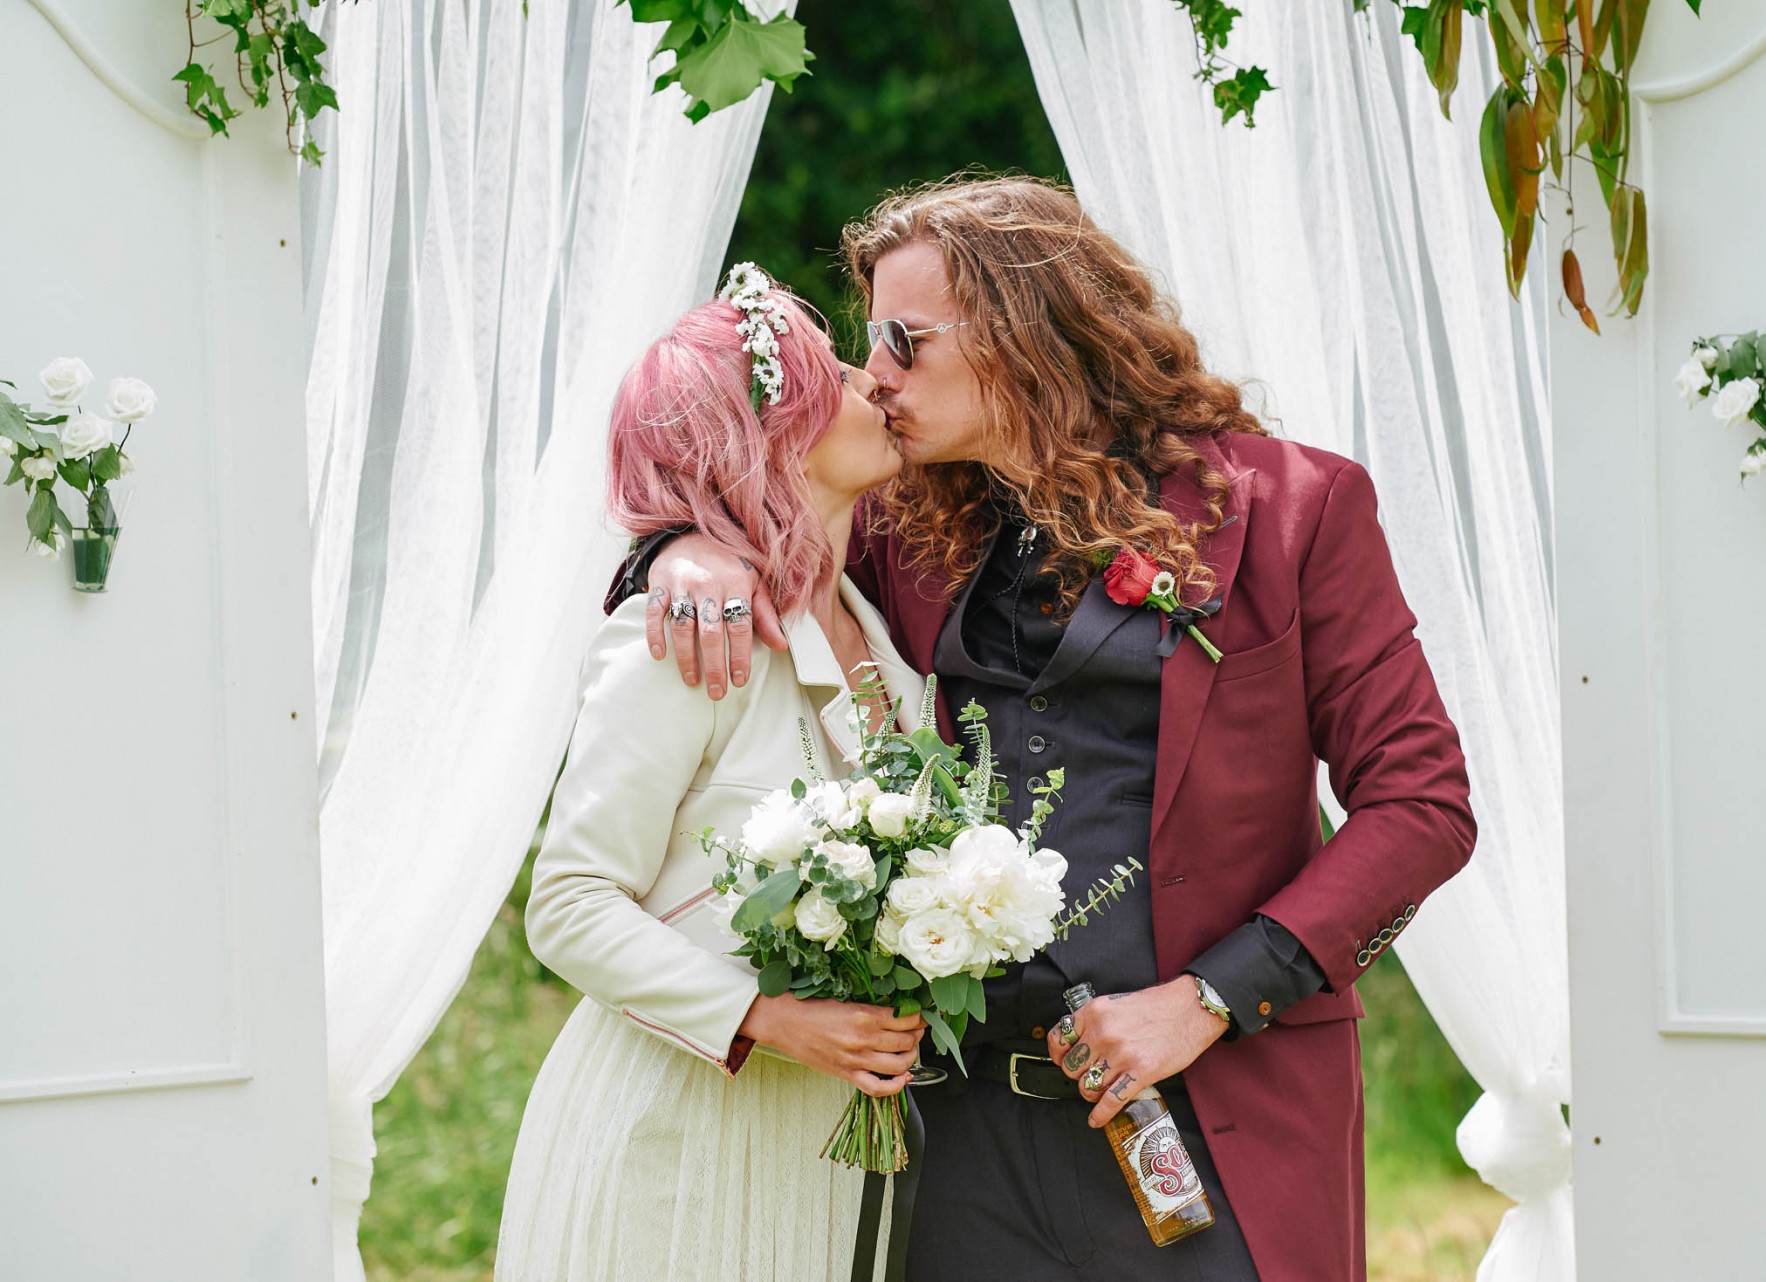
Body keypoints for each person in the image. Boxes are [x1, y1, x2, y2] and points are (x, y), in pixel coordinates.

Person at [624, 177, 1477, 1282]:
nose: (872, 376)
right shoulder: (902, 527)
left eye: (902, 340)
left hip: (1217, 1122)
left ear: (1027, 329)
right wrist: (683, 553)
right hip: (957, 1140)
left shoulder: (1293, 511)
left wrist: (1212, 996)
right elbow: (765, 514)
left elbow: (1423, 804)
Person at [495, 265, 928, 1280]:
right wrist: (766, 1019)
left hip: (826, 1147)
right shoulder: (682, 642)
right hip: (682, 1133)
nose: (875, 385)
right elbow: (568, 902)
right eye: (837, 380)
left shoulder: (879, 623)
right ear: (772, 439)